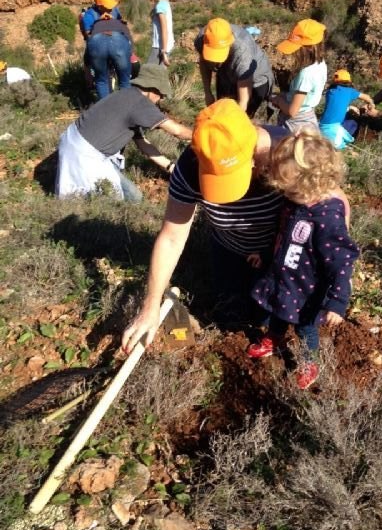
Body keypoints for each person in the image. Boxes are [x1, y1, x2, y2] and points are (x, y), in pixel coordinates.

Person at [121, 98, 290, 354]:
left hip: (276, 252)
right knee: (229, 309)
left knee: (267, 315)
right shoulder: (189, 169)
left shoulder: (286, 151)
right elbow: (171, 238)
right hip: (227, 248)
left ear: (254, 153)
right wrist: (151, 305)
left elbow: (330, 206)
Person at [247, 129, 360, 390]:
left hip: (307, 288)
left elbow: (342, 261)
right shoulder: (294, 204)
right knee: (275, 312)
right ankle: (274, 339)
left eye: (291, 191)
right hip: (283, 276)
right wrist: (264, 255)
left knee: (305, 329)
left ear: (312, 184)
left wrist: (337, 301)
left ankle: (308, 361)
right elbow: (282, 236)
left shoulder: (327, 217)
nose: (286, 196)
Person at [55, 64, 191, 201]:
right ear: (152, 89)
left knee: (134, 197)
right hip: (84, 155)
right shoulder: (140, 104)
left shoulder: (127, 95)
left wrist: (170, 166)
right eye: (161, 94)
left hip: (74, 142)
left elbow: (143, 144)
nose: (161, 99)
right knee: (104, 202)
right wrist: (205, 134)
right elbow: (177, 131)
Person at [194, 18, 274, 117]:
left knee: (242, 120)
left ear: (230, 42)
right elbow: (204, 62)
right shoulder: (202, 39)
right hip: (226, 75)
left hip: (254, 81)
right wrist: (207, 92)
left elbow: (243, 103)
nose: (215, 60)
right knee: (222, 112)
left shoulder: (242, 51)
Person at [270, 19, 327, 133]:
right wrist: (284, 95)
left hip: (295, 124)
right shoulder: (320, 65)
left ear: (309, 48)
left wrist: (278, 100)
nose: (294, 53)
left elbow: (292, 111)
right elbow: (304, 98)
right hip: (308, 117)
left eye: (296, 49)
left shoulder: (306, 74)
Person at [81, 0, 133, 100]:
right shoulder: (89, 15)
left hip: (97, 46)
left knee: (101, 80)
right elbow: (87, 35)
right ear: (99, 6)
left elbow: (119, 22)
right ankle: (126, 108)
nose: (110, 8)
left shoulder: (114, 10)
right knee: (123, 80)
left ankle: (106, 108)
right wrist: (99, 21)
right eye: (106, 6)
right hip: (114, 43)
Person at [319, 69, 374, 149]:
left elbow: (335, 106)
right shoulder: (350, 91)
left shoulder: (330, 92)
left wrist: (350, 107)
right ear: (348, 81)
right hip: (333, 130)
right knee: (353, 123)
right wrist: (371, 103)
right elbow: (367, 97)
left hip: (321, 126)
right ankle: (346, 141)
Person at [138, 0, 174, 67]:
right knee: (158, 76)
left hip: (160, 46)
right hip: (165, 45)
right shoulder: (164, 2)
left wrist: (164, 51)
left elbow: (164, 28)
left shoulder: (160, 6)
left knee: (148, 74)